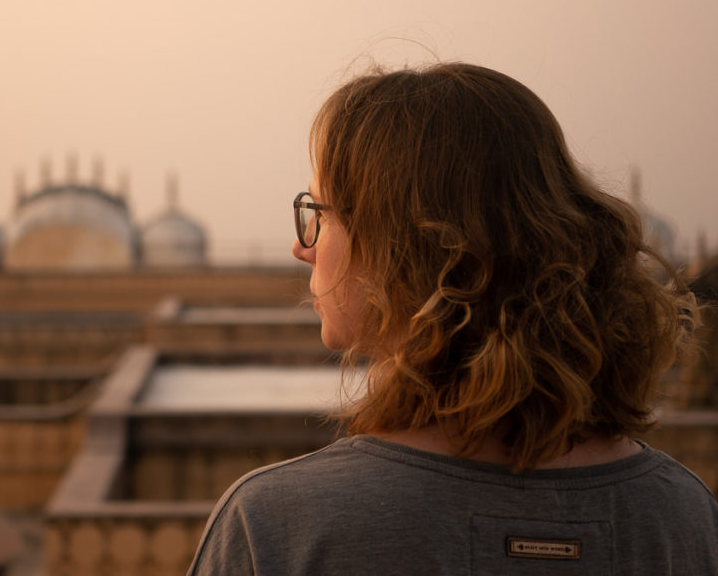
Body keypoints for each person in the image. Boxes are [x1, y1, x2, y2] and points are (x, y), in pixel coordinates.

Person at [188, 63, 718, 575]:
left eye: (318, 214)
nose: (302, 249)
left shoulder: (278, 525)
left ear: (396, 248)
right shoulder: (681, 515)